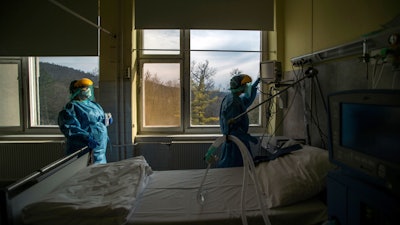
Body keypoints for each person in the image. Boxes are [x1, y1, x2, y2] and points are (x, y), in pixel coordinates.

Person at [58, 78, 112, 164]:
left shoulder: (94, 105)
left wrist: (106, 119)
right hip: (83, 146)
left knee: (99, 169)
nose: (89, 91)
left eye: (89, 88)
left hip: (100, 146)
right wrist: (85, 138)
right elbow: (70, 128)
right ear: (78, 90)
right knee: (85, 171)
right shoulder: (71, 107)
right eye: (86, 88)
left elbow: (98, 119)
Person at [218, 74, 260, 168]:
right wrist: (249, 138)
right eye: (245, 85)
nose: (247, 87)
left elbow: (245, 101)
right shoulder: (233, 102)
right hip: (235, 143)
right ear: (240, 86)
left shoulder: (232, 97)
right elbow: (233, 130)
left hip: (236, 141)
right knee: (234, 172)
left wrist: (253, 87)